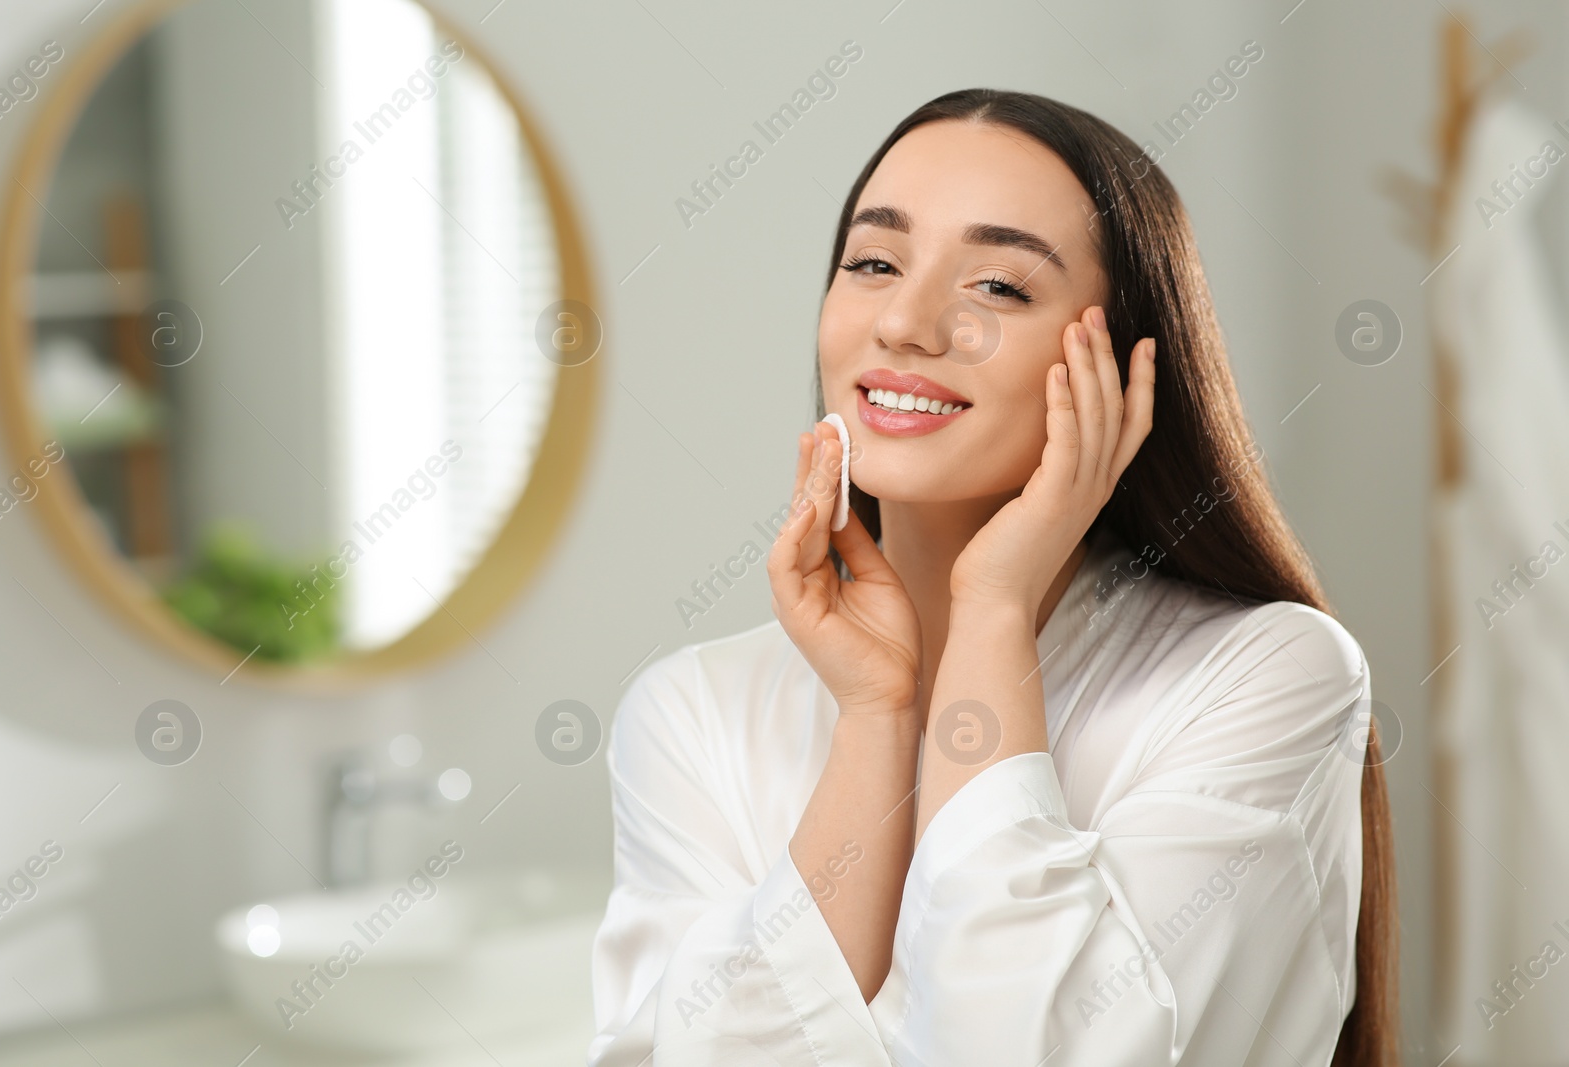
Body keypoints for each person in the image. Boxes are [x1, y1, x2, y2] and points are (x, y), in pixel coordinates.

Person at [587, 89, 1399, 1066]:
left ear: (1127, 365)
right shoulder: (693, 710)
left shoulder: (1266, 674)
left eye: (999, 288)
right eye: (874, 262)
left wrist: (992, 611)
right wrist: (876, 715)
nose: (906, 321)